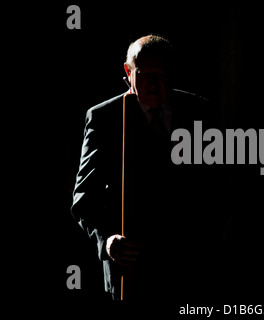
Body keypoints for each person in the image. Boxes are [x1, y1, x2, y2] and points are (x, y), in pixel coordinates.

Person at [71, 34, 223, 301]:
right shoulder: (105, 118)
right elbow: (85, 198)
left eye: (160, 73)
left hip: (189, 267)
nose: (152, 83)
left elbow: (217, 185)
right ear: (128, 72)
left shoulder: (200, 112)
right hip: (131, 270)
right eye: (143, 73)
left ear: (172, 72)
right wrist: (107, 240)